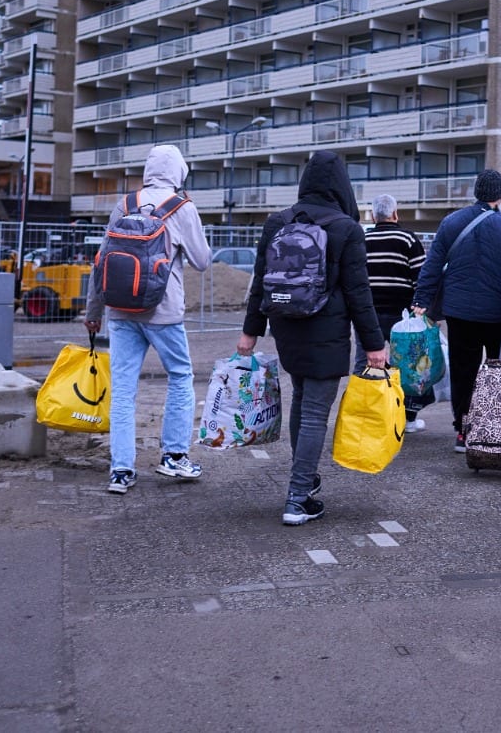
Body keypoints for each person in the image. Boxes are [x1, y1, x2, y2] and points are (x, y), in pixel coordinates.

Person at [239, 152, 387, 526]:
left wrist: (250, 332)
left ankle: (303, 480)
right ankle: (298, 497)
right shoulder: (346, 228)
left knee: (303, 402)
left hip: (286, 325)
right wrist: (374, 343)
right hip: (326, 328)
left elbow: (260, 282)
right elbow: (359, 293)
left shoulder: (278, 221)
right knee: (315, 414)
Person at [84, 144, 213, 495]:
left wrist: (93, 312)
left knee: (124, 388)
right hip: (162, 310)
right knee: (181, 375)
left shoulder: (124, 204)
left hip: (120, 311)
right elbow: (202, 261)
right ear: (179, 173)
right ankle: (173, 456)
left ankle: (121, 470)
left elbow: (101, 261)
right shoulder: (182, 208)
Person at [410, 168, 501, 452]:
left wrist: (421, 299)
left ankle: (463, 430)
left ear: (477, 192)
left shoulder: (451, 222)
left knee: (464, 372)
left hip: (459, 312)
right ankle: (496, 429)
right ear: (500, 196)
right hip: (497, 317)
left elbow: (432, 265)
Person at [357, 194, 428, 432]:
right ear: (395, 214)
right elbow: (421, 278)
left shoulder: (362, 240)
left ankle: (367, 416)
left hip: (369, 315)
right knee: (408, 367)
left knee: (366, 363)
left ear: (374, 216)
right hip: (402, 316)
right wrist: (421, 309)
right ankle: (407, 419)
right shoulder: (408, 239)